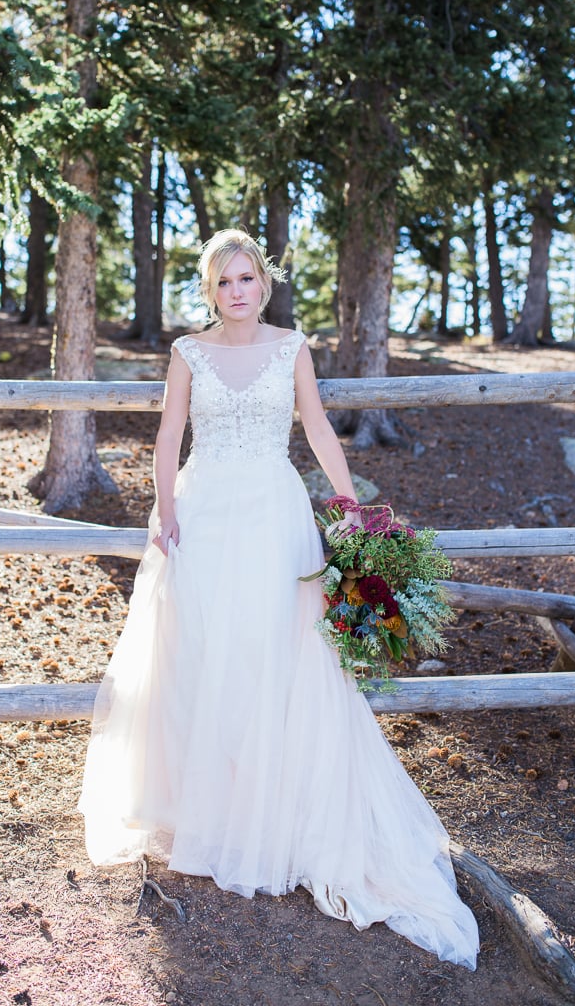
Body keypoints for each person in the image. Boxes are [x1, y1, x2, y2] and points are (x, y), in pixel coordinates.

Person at [78, 229, 479, 969]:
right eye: (223, 282)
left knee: (274, 655)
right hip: (203, 514)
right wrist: (164, 508)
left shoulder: (293, 347)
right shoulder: (187, 353)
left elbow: (318, 426)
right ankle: (214, 808)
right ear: (211, 291)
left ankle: (273, 811)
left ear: (264, 284)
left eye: (247, 279)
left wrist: (352, 506)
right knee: (203, 652)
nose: (236, 291)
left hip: (271, 513)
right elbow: (169, 437)